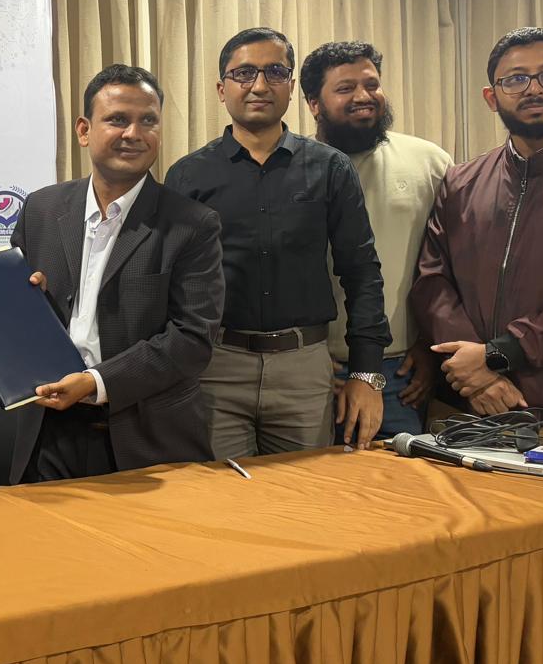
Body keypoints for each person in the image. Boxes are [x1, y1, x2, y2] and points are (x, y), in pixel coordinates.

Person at [166, 28, 390, 458]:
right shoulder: (188, 176)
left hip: (304, 368)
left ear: (291, 86)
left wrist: (366, 373)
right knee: (223, 494)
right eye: (244, 73)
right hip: (217, 366)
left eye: (275, 72)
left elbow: (361, 272)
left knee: (304, 494)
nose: (259, 85)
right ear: (222, 89)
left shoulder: (330, 168)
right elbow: (172, 283)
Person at [9, 64, 224, 483]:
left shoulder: (192, 224)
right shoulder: (41, 209)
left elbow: (192, 339)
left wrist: (95, 382)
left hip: (147, 438)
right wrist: (26, 303)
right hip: (48, 432)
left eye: (148, 121)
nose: (134, 134)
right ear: (84, 130)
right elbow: (11, 314)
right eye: (118, 119)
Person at [411, 27, 543, 443]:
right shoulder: (461, 181)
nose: (534, 88)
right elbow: (431, 281)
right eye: (515, 79)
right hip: (458, 412)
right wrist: (474, 370)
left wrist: (499, 354)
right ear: (491, 97)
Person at [301, 40, 452, 438]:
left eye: (371, 84)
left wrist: (430, 347)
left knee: (396, 478)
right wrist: (301, 363)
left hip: (399, 373)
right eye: (345, 88)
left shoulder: (430, 163)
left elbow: (451, 267)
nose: (363, 96)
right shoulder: (291, 169)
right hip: (311, 372)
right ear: (314, 104)